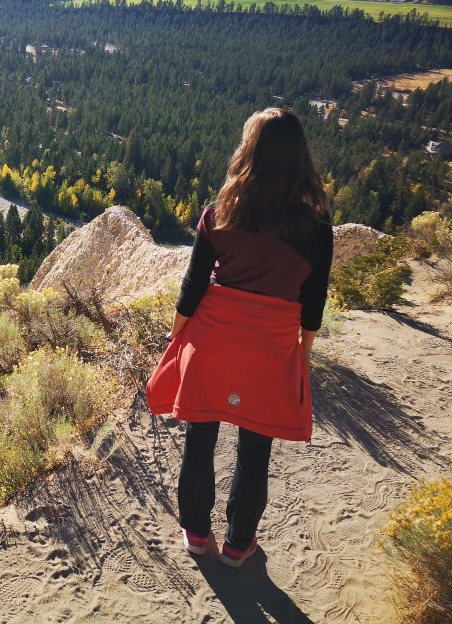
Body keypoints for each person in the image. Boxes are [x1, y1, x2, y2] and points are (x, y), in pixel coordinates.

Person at [145, 107, 333, 568]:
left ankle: (195, 533)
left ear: (248, 153)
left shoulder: (218, 214)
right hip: (269, 348)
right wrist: (300, 353)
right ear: (298, 159)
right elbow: (313, 303)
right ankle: (238, 545)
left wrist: (177, 340)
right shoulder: (316, 229)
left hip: (212, 340)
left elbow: (192, 288)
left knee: (200, 437)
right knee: (255, 448)